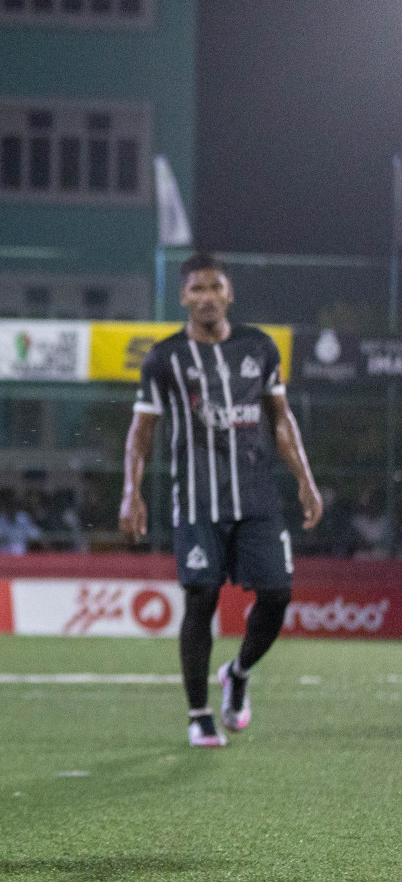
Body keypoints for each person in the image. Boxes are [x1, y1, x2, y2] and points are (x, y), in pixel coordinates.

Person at [119, 253, 323, 748]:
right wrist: (132, 490)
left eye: (215, 287)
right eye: (196, 289)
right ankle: (199, 713)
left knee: (277, 596)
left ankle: (239, 671)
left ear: (229, 293)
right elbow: (141, 431)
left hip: (257, 498)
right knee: (201, 598)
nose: (206, 297)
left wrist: (305, 478)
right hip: (196, 501)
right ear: (183, 297)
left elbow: (281, 418)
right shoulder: (163, 358)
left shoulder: (259, 347)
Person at [0, 490, 41, 555]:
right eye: (8, 506)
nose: (11, 508)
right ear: (5, 507)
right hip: (2, 554)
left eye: (13, 506)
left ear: (16, 506)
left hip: (20, 554)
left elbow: (37, 537)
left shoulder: (24, 518)